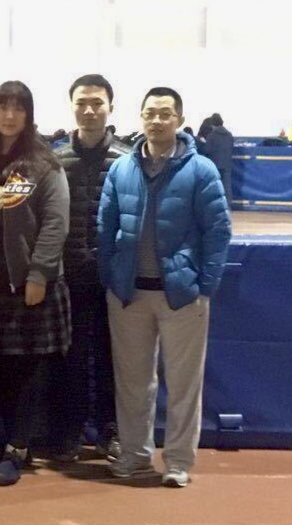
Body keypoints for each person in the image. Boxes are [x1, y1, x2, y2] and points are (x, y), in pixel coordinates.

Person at [98, 86, 231, 489]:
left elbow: (218, 231)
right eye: (150, 113)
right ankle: (135, 454)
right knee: (132, 383)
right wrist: (111, 277)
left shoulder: (201, 170)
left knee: (184, 384)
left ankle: (177, 461)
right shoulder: (121, 169)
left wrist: (204, 286)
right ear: (141, 118)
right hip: (129, 296)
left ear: (179, 120)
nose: (156, 121)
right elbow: (105, 227)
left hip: (182, 297)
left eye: (165, 114)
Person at [0, 80, 71, 486]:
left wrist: (39, 272)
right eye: (2, 107)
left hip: (28, 285)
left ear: (29, 114)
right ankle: (7, 440)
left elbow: (56, 222)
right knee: (2, 370)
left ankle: (17, 447)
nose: (9, 115)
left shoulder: (44, 163)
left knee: (27, 372)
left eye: (18, 108)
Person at [47, 74, 130, 463]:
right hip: (70, 277)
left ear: (111, 107)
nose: (89, 110)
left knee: (113, 358)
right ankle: (70, 430)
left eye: (97, 103)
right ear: (72, 107)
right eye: (82, 103)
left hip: (114, 278)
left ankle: (110, 430)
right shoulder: (56, 159)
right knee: (71, 358)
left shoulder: (128, 159)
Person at [200, 113, 234, 202]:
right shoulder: (229, 135)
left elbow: (207, 150)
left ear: (212, 124)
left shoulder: (211, 135)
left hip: (215, 163)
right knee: (227, 186)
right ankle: (227, 204)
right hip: (227, 164)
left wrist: (203, 143)